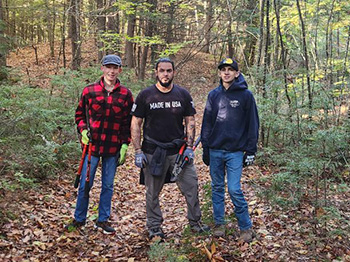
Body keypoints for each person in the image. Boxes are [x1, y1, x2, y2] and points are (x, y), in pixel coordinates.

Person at [130, 57, 210, 240]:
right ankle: (154, 227)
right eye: (162, 70)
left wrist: (190, 147)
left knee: (191, 187)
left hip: (179, 152)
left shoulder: (182, 94)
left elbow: (190, 120)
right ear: (156, 72)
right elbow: (136, 123)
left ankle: (195, 223)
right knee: (152, 193)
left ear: (173, 72)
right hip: (153, 151)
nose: (165, 74)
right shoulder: (145, 95)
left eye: (169, 71)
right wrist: (137, 151)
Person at [65, 54, 134, 234]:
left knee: (108, 186)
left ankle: (102, 220)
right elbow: (79, 115)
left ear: (120, 70)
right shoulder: (89, 91)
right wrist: (83, 131)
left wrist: (125, 145)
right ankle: (79, 219)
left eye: (115, 67)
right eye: (108, 67)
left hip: (113, 148)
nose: (111, 71)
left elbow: (128, 122)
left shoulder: (126, 95)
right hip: (91, 148)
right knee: (85, 185)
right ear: (102, 68)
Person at [200, 57, 259, 242]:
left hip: (235, 152)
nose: (226, 72)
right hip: (216, 150)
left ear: (237, 73)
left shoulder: (246, 96)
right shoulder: (213, 95)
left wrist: (251, 151)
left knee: (234, 189)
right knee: (217, 188)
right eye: (223, 69)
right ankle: (219, 225)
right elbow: (207, 123)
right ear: (219, 73)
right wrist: (206, 147)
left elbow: (253, 124)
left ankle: (245, 227)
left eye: (230, 69)